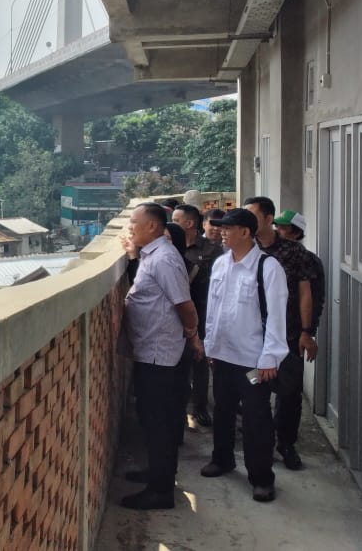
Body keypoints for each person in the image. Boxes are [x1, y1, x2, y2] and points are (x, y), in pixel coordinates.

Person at [201, 208, 289, 502]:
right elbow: (213, 310)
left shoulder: (267, 267)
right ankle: (222, 459)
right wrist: (210, 346)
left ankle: (261, 478)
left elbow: (277, 316)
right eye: (221, 228)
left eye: (229, 228)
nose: (222, 232)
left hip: (253, 361)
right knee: (223, 411)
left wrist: (269, 359)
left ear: (246, 233)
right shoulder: (221, 264)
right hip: (224, 356)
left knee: (256, 418)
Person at [120, 203, 202, 510]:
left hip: (161, 355)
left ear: (153, 226)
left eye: (133, 222)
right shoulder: (151, 256)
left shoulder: (165, 259)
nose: (129, 227)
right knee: (152, 419)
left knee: (159, 422)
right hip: (150, 350)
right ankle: (158, 473)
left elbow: (184, 305)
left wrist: (192, 334)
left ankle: (161, 490)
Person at [243, 197, 318, 470]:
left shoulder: (293, 252)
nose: (248, 221)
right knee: (253, 389)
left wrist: (307, 332)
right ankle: (258, 442)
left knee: (288, 394)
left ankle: (286, 443)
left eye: (253, 215)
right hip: (251, 339)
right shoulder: (243, 250)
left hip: (287, 337)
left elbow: (305, 293)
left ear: (268, 218)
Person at [173, 204, 220, 427]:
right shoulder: (172, 248)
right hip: (176, 314)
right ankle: (181, 410)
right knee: (179, 364)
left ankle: (200, 408)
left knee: (200, 362)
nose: (171, 224)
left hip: (203, 312)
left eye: (176, 219)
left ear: (189, 223)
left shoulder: (212, 250)